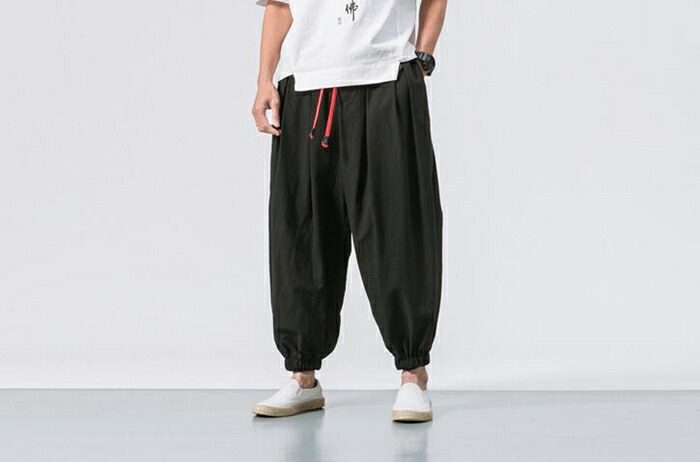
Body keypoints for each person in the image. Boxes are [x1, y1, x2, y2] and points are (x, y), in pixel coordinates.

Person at [251, 0, 447, 422]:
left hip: (386, 78)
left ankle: (413, 374)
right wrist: (265, 79)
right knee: (302, 231)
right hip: (305, 86)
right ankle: (303, 375)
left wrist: (424, 57)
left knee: (399, 228)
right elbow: (280, 6)